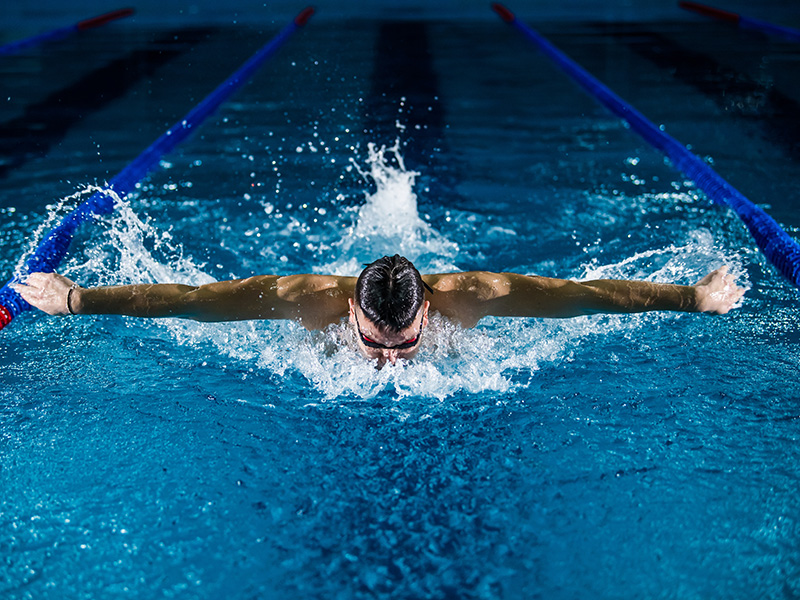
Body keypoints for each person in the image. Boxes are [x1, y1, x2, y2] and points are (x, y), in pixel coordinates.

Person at [13, 255, 745, 367]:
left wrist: (693, 298)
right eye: (374, 341)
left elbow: (584, 296)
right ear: (350, 313)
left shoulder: (476, 296)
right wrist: (77, 299)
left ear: (430, 306)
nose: (388, 361)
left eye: (403, 344)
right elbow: (193, 303)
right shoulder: (307, 302)